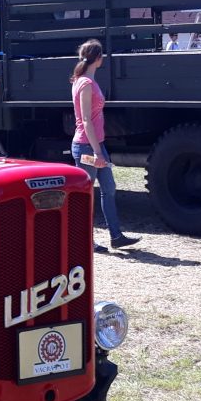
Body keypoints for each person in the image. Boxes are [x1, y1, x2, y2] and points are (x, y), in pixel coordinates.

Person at [70, 40, 136, 251]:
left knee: (108, 188)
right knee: (87, 194)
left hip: (94, 145)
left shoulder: (83, 81)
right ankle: (85, 240)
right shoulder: (86, 84)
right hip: (87, 147)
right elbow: (87, 120)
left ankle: (116, 235)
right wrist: (98, 152)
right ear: (97, 58)